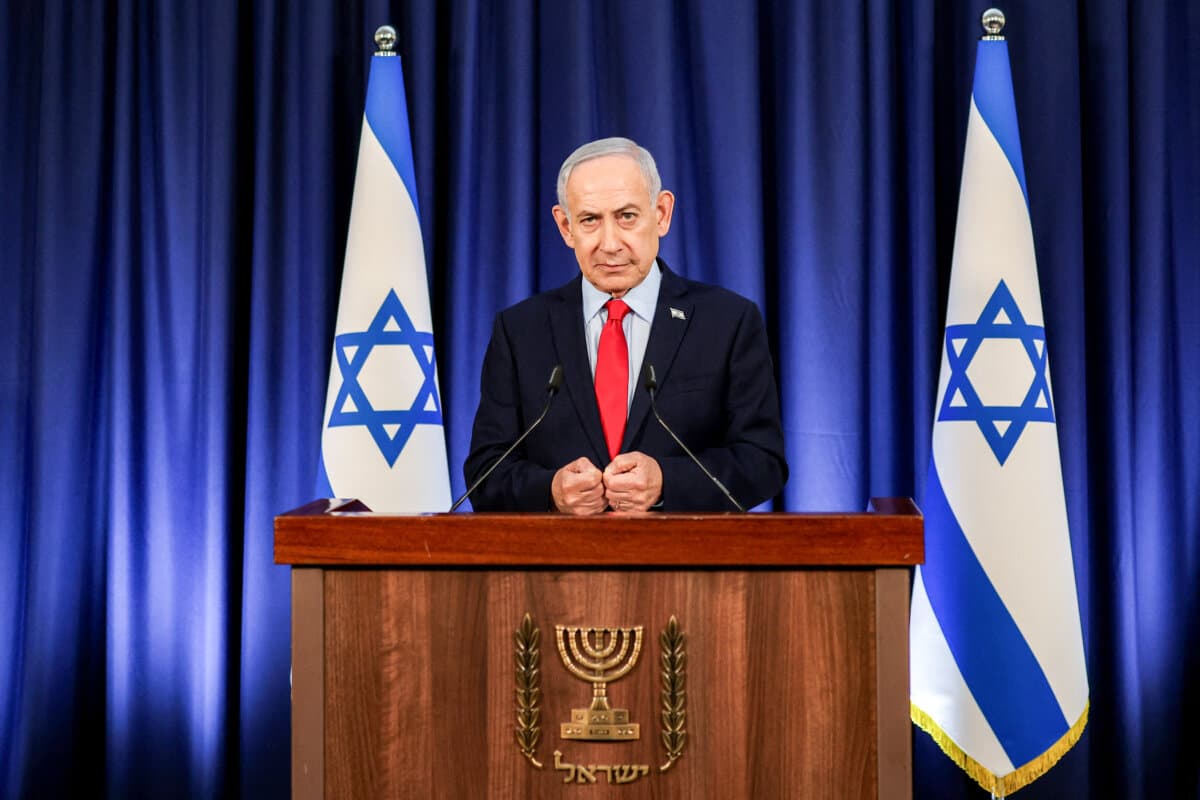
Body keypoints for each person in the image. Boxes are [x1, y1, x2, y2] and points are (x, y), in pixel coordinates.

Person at [463, 137, 787, 513]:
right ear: (566, 226)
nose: (610, 243)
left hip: (685, 551)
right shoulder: (520, 330)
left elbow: (763, 461)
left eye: (627, 216)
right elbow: (485, 473)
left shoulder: (728, 321)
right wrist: (550, 490)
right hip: (558, 550)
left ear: (661, 213)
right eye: (590, 220)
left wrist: (666, 481)